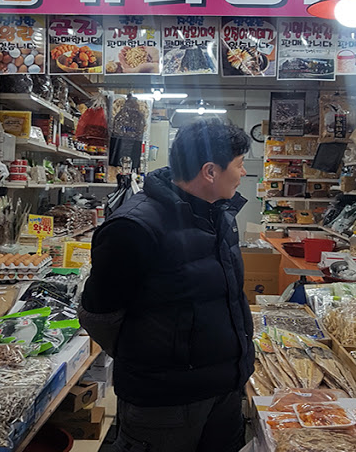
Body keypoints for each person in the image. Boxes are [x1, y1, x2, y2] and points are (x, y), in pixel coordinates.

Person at [79, 119, 255, 452]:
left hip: (224, 392)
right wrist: (155, 356)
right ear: (210, 171)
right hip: (165, 405)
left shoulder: (219, 214)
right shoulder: (134, 227)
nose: (243, 173)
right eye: (239, 164)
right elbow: (98, 316)